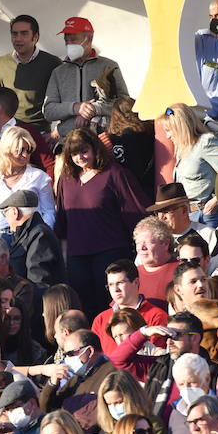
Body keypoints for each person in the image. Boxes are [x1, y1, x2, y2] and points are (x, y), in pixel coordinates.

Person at [55, 128, 147, 317]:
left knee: (111, 307)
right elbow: (63, 223)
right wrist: (65, 258)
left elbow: (136, 212)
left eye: (84, 151)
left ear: (95, 148)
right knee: (85, 307)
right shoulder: (66, 180)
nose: (80, 157)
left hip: (110, 251)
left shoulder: (114, 173)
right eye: (74, 153)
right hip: (77, 256)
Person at [0, 14, 62, 128]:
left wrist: (57, 131)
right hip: (9, 131)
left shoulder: (53, 62)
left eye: (24, 33)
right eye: (14, 34)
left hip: (40, 131)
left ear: (36, 37)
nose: (18, 38)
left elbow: (64, 99)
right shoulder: (2, 62)